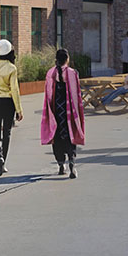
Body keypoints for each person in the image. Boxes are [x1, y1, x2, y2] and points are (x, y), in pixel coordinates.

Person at [40, 48, 85, 178]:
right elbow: (77, 95)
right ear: (67, 59)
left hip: (55, 112)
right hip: (69, 112)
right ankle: (72, 163)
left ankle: (61, 164)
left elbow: (48, 95)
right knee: (70, 136)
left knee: (57, 138)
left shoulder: (50, 73)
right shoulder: (72, 73)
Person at [0, 40, 24, 176]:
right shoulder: (11, 68)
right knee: (7, 132)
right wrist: (18, 109)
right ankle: (3, 163)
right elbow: (14, 89)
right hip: (8, 102)